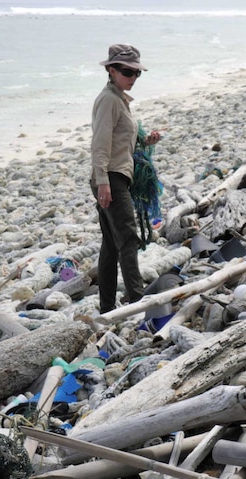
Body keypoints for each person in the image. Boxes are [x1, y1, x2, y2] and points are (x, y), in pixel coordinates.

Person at [91, 44, 161, 313]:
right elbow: (100, 143)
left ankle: (107, 308)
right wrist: (103, 181)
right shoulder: (109, 99)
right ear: (111, 70)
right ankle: (138, 303)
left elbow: (121, 141)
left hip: (116, 175)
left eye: (136, 73)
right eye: (126, 72)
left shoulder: (119, 98)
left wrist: (146, 140)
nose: (132, 77)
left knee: (111, 245)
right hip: (111, 178)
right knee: (129, 239)